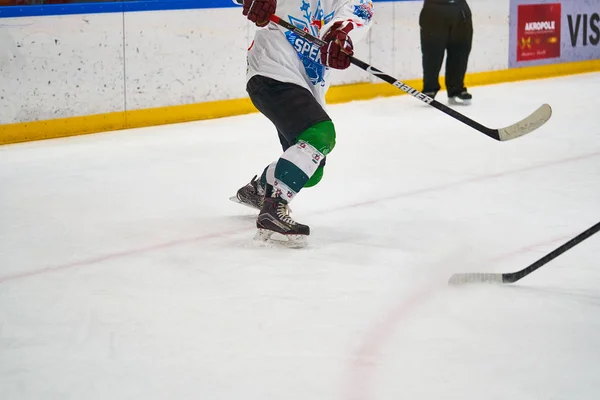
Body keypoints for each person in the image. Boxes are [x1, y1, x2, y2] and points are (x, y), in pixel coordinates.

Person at [232, 0, 374, 247]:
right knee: (322, 134)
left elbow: (355, 14)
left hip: (307, 84)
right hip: (271, 68)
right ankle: (272, 209)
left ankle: (259, 189)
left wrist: (340, 36)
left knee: (312, 171)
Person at [420, 0, 473, 105]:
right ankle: (429, 88)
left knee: (461, 49)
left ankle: (456, 88)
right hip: (434, 8)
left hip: (460, 8)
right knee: (432, 50)